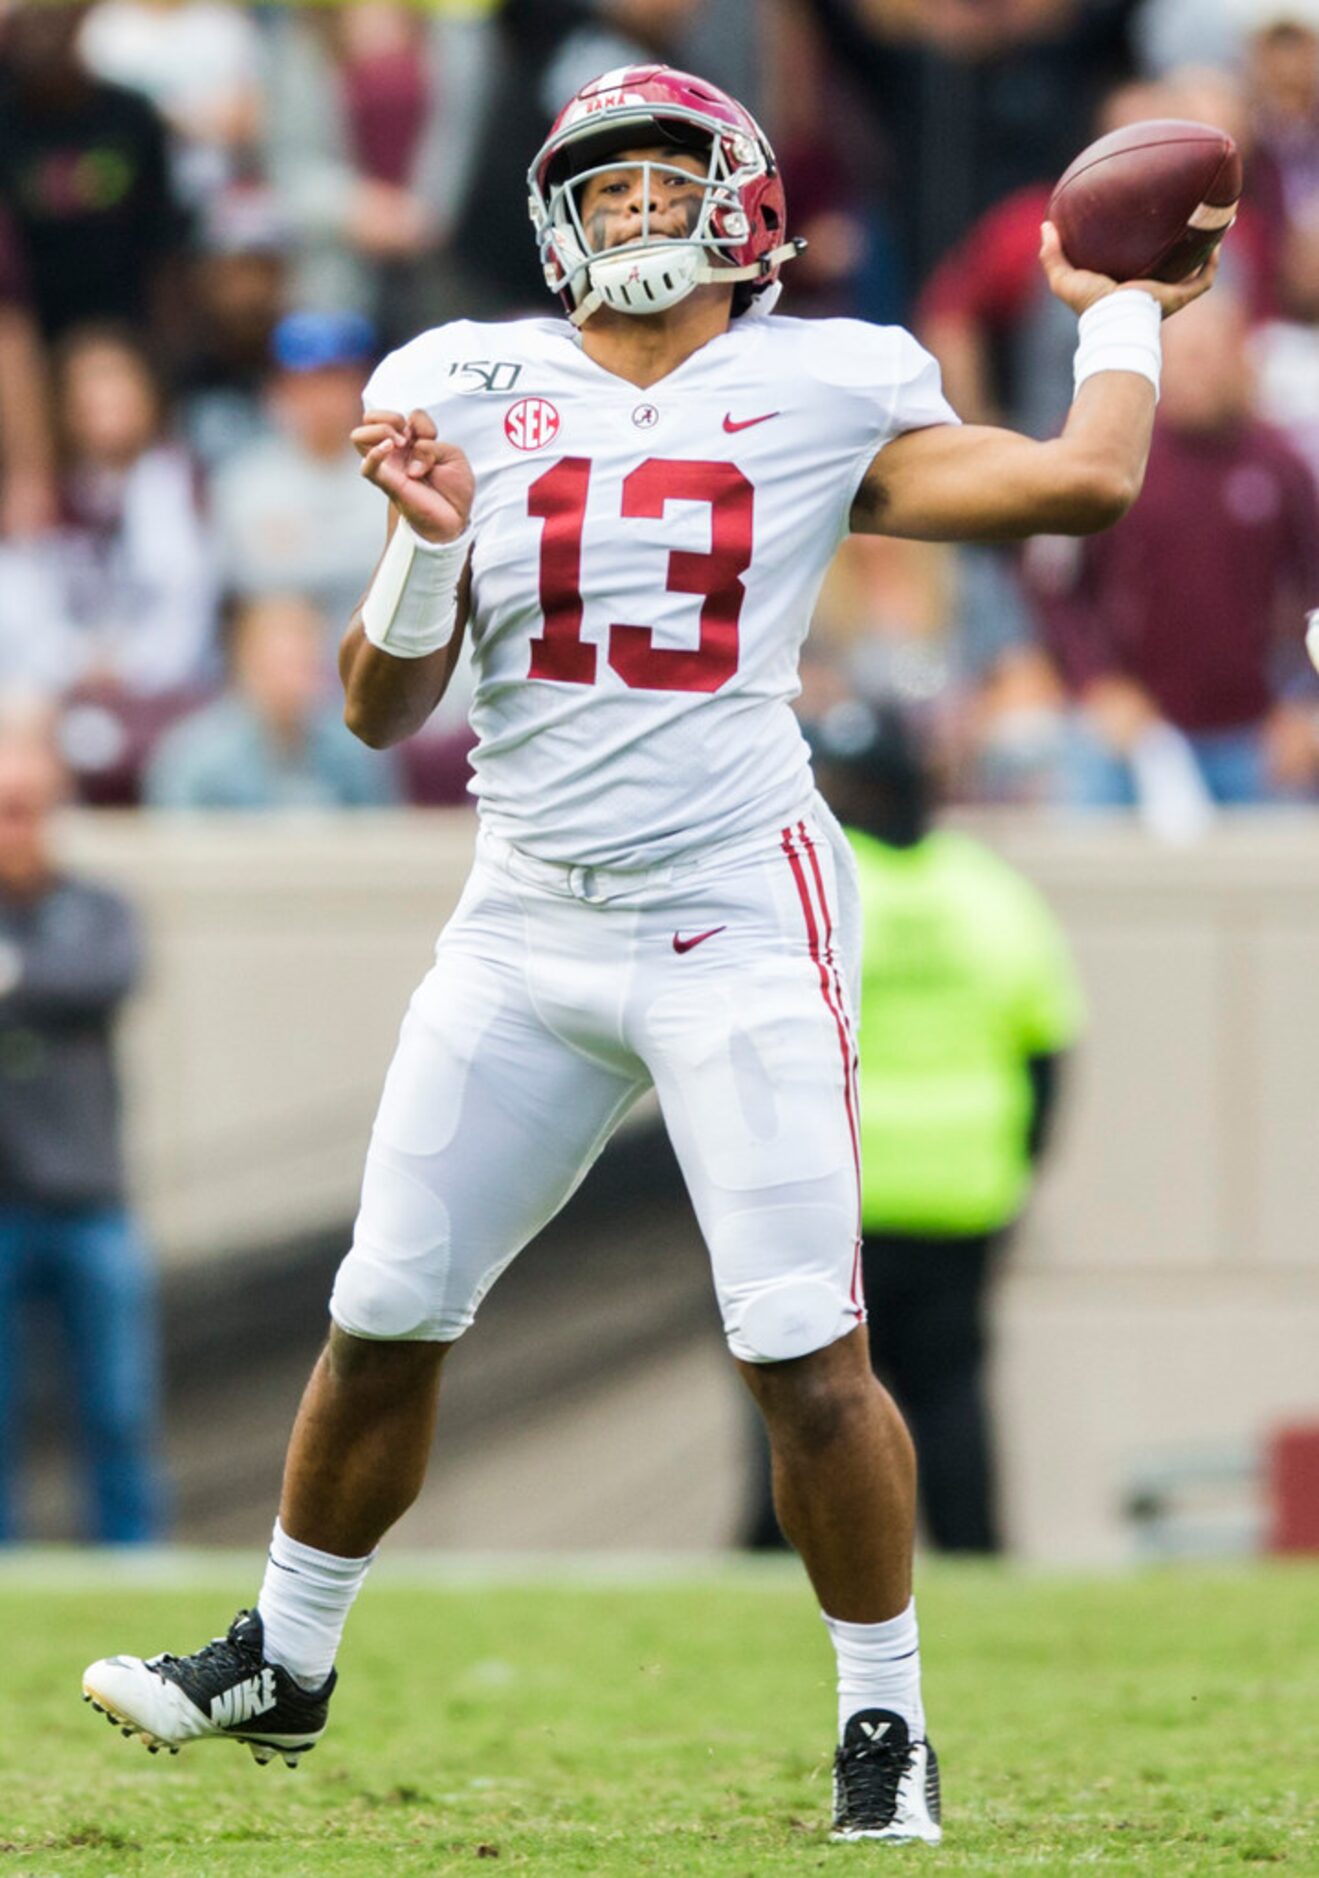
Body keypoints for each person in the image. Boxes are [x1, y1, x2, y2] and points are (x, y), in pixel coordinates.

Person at [82, 61, 1216, 1845]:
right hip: (523, 914)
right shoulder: (458, 379)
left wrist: (1124, 320)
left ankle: (882, 1723)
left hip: (730, 907)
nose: (622, 209)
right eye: (594, 187)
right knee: (383, 1305)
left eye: (654, 179)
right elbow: (381, 713)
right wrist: (425, 549)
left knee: (797, 1344)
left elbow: (1074, 489)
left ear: (739, 200)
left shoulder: (820, 381)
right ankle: (286, 1654)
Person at [804, 700, 1081, 1552]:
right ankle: (972, 1557)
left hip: (837, 1191)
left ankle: (795, 1563)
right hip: (961, 1190)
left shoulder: (823, 885)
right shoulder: (988, 891)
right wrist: (1014, 1168)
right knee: (950, 1393)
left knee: (809, 1394)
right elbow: (1048, 1049)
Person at [1030, 287, 1319, 816]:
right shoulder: (1111, 458)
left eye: (1209, 355)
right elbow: (1053, 585)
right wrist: (1096, 684)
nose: (1195, 373)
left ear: (1241, 358)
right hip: (1136, 730)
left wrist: (1305, 703)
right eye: (1182, 357)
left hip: (1254, 732)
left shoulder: (1281, 466)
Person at [0, 695, 163, 1542]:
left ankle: (134, 1563)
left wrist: (17, 979)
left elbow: (101, 977)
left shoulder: (100, 908)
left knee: (117, 1405)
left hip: (90, 1196)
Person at [144, 593, 400, 811]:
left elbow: (383, 843)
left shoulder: (355, 753)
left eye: (308, 661)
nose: (301, 676)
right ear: (246, 661)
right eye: (288, 663)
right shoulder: (194, 758)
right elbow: (176, 852)